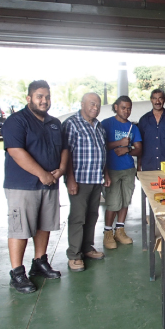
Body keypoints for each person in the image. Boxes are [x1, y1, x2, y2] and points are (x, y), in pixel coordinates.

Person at [2, 80, 66, 293]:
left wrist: (62, 169)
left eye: (47, 96)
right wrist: (42, 174)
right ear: (28, 98)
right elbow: (16, 151)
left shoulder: (54, 123)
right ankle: (17, 273)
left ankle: (39, 262)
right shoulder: (16, 121)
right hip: (23, 185)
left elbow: (65, 148)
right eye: (39, 96)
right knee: (20, 228)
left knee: (44, 225)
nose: (44, 100)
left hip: (49, 184)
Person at [63, 92, 109, 272]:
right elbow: (66, 154)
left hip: (96, 178)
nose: (95, 108)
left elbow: (102, 152)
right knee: (78, 217)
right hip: (80, 180)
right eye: (91, 104)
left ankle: (87, 248)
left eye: (97, 105)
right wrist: (70, 180)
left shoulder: (99, 126)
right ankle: (74, 254)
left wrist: (105, 173)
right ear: (82, 104)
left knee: (92, 215)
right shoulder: (71, 124)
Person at [101, 96, 143, 250]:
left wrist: (128, 149)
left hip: (128, 169)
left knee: (125, 201)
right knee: (113, 202)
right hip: (111, 169)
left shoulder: (133, 128)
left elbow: (139, 148)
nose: (126, 111)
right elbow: (100, 145)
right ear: (116, 107)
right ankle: (107, 232)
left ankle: (120, 230)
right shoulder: (106, 124)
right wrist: (119, 143)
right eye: (123, 107)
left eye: (129, 108)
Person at [138, 89, 165, 171]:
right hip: (149, 165)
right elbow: (140, 144)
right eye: (154, 98)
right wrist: (139, 165)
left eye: (160, 98)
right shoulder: (144, 120)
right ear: (151, 100)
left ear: (164, 99)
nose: (157, 101)